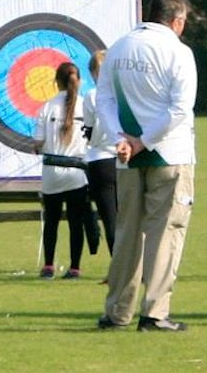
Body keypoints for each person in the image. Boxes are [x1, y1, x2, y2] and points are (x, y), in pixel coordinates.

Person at [94, 0, 198, 333]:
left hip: (127, 156)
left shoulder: (120, 46)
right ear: (177, 21)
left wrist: (121, 140)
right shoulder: (178, 52)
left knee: (127, 234)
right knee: (165, 233)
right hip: (169, 152)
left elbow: (105, 100)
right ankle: (154, 312)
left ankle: (117, 311)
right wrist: (143, 142)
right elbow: (180, 109)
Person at [34, 61, 94, 280]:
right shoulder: (86, 105)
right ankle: (75, 268)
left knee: (51, 221)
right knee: (75, 222)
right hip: (77, 174)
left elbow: (38, 143)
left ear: (56, 82)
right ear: (78, 81)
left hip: (52, 174)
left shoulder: (47, 106)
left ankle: (49, 266)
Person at [82, 51, 117, 260]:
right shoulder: (125, 93)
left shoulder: (92, 96)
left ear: (95, 73)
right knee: (129, 220)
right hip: (126, 159)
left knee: (110, 220)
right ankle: (137, 268)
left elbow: (90, 134)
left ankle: (119, 271)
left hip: (100, 161)